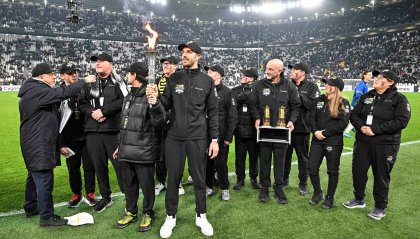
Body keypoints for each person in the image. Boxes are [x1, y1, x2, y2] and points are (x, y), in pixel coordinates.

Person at [147, 41, 219, 238]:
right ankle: (171, 216)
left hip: (198, 137)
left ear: (198, 56)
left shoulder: (207, 81)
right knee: (173, 179)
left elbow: (213, 112)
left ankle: (201, 215)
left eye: (189, 52)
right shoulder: (174, 78)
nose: (184, 55)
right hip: (174, 137)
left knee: (199, 179)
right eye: (183, 52)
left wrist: (214, 140)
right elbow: (164, 104)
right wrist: (155, 100)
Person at [19, 62, 96, 226]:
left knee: (33, 177)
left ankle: (31, 207)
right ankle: (46, 217)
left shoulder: (32, 90)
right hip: (39, 143)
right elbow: (61, 92)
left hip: (34, 141)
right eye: (51, 74)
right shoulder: (38, 91)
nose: (54, 76)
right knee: (44, 177)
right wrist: (84, 81)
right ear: (41, 77)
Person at [343, 70, 411, 220]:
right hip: (362, 142)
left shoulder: (399, 99)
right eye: (376, 77)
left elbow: (401, 121)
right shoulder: (367, 96)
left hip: (385, 144)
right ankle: (359, 199)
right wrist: (361, 127)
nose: (376, 79)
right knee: (358, 171)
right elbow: (354, 115)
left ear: (390, 82)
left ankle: (380, 207)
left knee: (381, 175)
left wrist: (375, 130)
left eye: (380, 77)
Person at [112, 62, 166, 232]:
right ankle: (131, 211)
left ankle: (148, 213)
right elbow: (124, 125)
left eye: (128, 73)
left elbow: (160, 122)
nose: (126, 76)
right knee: (129, 184)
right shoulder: (128, 97)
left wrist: (155, 104)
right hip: (126, 150)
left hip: (144, 151)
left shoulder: (151, 96)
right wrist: (119, 145)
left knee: (147, 186)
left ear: (135, 75)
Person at [79, 52, 127, 213]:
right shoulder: (90, 82)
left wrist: (104, 111)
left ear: (110, 64)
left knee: (120, 166)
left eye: (101, 61)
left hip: (113, 131)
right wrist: (93, 112)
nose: (97, 64)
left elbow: (125, 101)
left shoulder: (118, 81)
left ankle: (129, 195)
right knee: (99, 167)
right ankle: (106, 197)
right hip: (93, 131)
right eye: (96, 61)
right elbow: (81, 103)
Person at [250, 59, 301, 204]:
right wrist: (256, 118)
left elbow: (296, 106)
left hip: (282, 132)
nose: (267, 71)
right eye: (267, 68)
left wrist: (291, 120)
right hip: (264, 131)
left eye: (271, 69)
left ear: (280, 71)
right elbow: (253, 104)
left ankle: (279, 189)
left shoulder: (289, 86)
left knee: (280, 161)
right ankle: (264, 188)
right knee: (264, 160)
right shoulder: (258, 85)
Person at [57, 62, 98, 208]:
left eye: (75, 72)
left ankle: (91, 194)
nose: (74, 75)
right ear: (62, 76)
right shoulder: (58, 93)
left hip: (86, 136)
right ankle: (76, 195)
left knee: (89, 166)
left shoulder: (85, 88)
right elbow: (56, 121)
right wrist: (60, 143)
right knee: (73, 169)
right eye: (70, 73)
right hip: (69, 139)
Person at [308, 77, 350, 209]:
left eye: (330, 84)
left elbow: (342, 123)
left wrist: (324, 133)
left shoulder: (343, 102)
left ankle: (329, 197)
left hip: (333, 142)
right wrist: (315, 132)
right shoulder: (319, 100)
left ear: (336, 88)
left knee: (332, 171)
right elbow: (311, 118)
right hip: (316, 140)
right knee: (312, 168)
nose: (326, 85)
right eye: (326, 83)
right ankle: (317, 192)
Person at [284, 62, 320, 196]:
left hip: (302, 128)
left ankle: (303, 183)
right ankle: (284, 179)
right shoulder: (287, 84)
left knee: (303, 158)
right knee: (285, 156)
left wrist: (297, 93)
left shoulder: (312, 87)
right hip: (287, 127)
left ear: (302, 73)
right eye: (291, 69)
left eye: (295, 69)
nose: (292, 71)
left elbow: (312, 106)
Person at [204, 64, 238, 200]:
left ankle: (224, 188)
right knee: (207, 162)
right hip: (205, 133)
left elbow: (233, 116)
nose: (208, 73)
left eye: (211, 71)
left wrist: (229, 136)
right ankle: (209, 186)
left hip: (221, 134)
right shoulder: (205, 90)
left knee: (221, 163)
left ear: (219, 75)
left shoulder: (226, 92)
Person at [154, 56, 185, 196]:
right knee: (160, 156)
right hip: (160, 124)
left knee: (176, 155)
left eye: (168, 64)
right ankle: (160, 181)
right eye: (164, 64)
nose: (165, 66)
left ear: (175, 66)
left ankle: (177, 182)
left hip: (175, 123)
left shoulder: (181, 80)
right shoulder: (157, 81)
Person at [231, 68, 260, 190]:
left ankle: (254, 179)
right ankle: (240, 179)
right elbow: (234, 104)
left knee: (254, 157)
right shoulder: (235, 90)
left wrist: (248, 94)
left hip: (253, 131)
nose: (242, 76)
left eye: (245, 75)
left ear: (251, 78)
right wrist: (246, 94)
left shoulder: (258, 90)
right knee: (239, 157)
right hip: (239, 131)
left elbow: (258, 106)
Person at [344, 71, 372, 138]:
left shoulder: (365, 84)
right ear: (364, 76)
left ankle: (353, 128)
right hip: (357, 105)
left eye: (371, 75)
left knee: (357, 118)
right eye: (369, 75)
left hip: (358, 105)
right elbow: (358, 95)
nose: (371, 76)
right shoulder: (361, 85)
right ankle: (346, 132)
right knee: (357, 118)